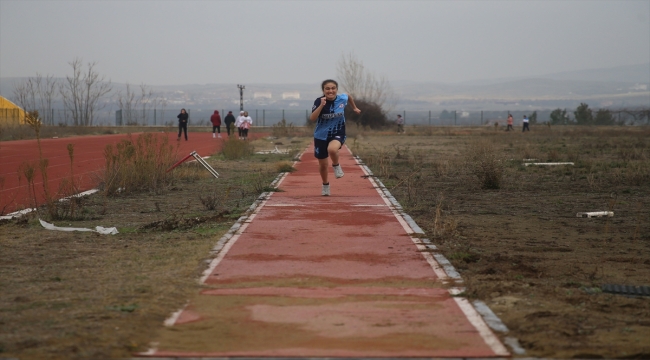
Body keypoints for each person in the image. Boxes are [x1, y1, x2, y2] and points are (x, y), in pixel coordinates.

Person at [309, 79, 361, 196]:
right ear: (323, 90)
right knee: (323, 165)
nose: (330, 91)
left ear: (336, 90)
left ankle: (336, 165)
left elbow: (348, 96)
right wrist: (321, 106)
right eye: (327, 89)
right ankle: (325, 184)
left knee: (332, 149)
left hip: (338, 132)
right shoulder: (319, 101)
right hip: (321, 135)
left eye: (333, 88)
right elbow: (312, 118)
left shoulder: (342, 98)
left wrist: (354, 108)